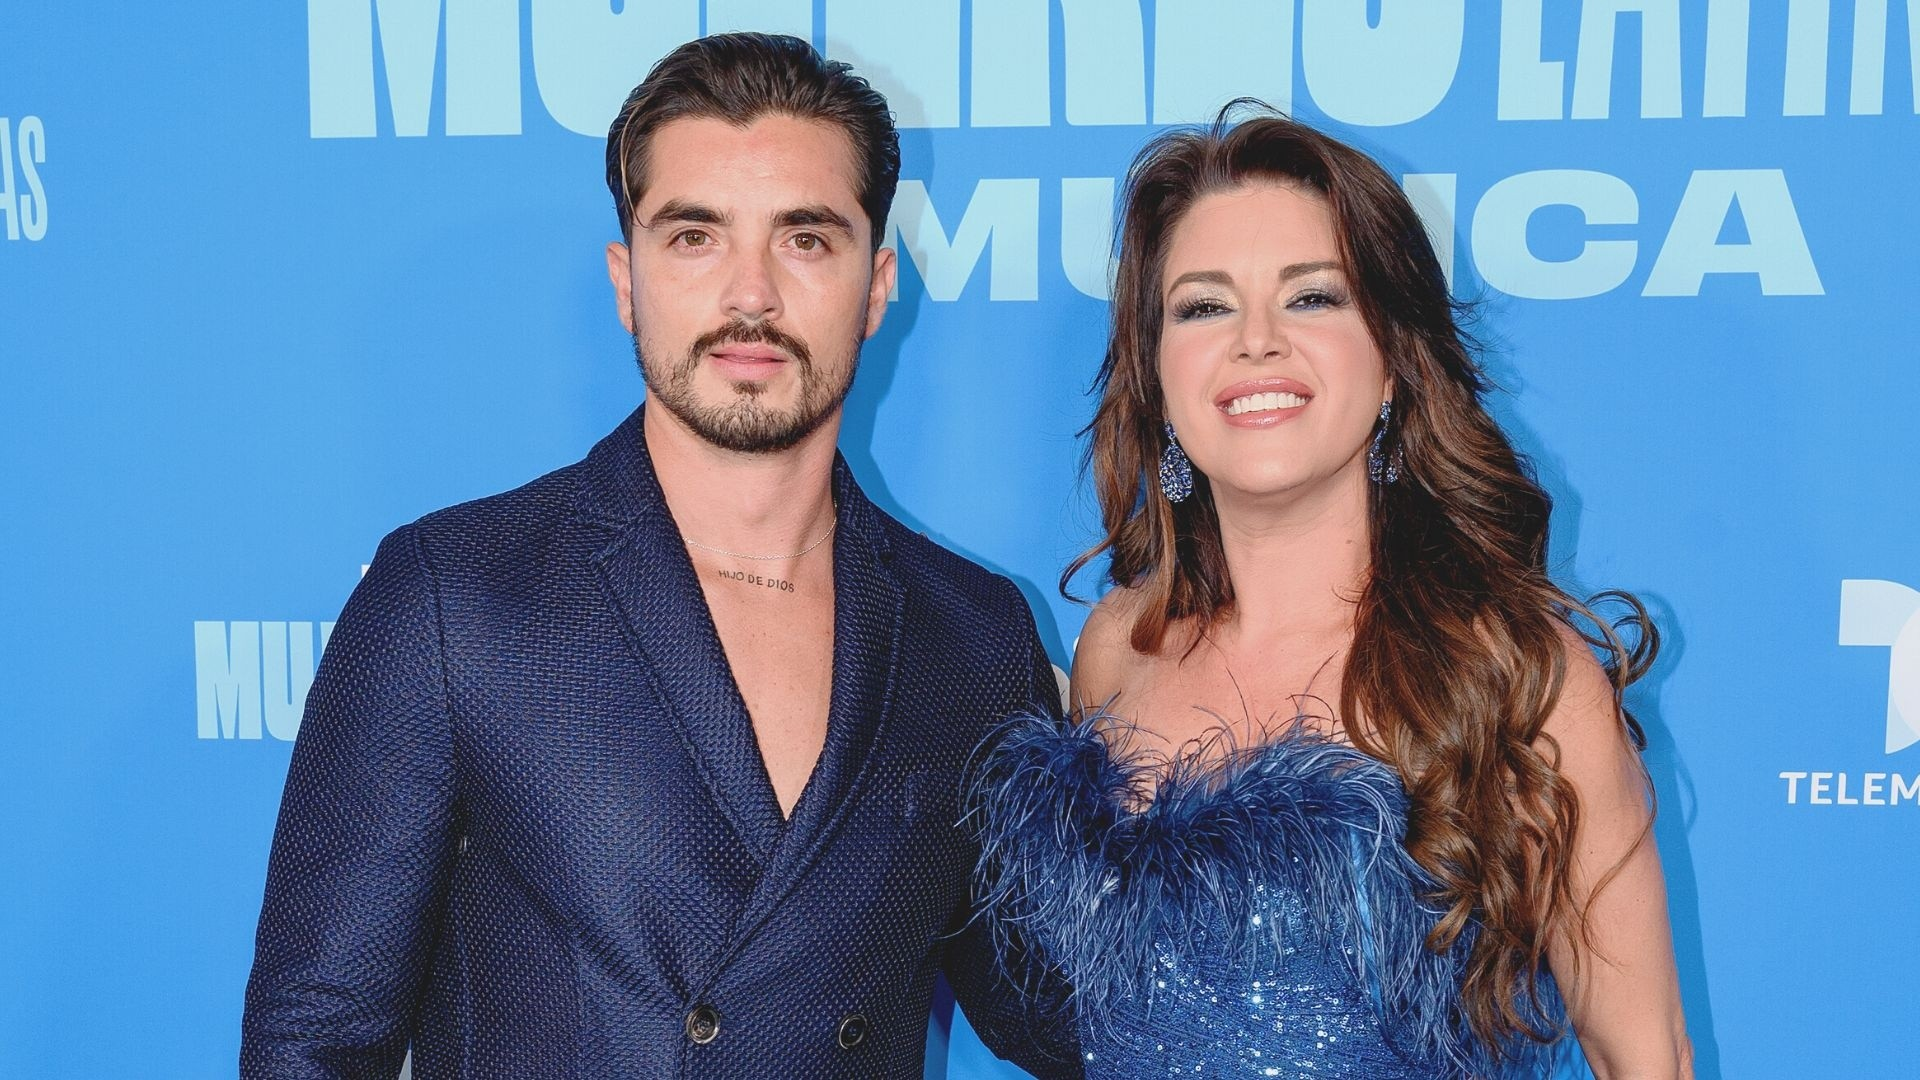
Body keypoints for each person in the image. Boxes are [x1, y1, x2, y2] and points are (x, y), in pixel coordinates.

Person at [241, 33, 1078, 1080]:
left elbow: (1058, 1014)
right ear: (626, 282)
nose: (751, 295)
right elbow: (313, 1040)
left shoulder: (974, 634)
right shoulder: (453, 597)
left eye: (805, 239)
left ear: (876, 286)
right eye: (694, 237)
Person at [970, 109, 1693, 1078]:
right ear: (1157, 376)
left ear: (1392, 360)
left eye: (1311, 297)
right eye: (1203, 307)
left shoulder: (1517, 678)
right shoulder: (1119, 646)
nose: (1256, 342)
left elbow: (1646, 1056)